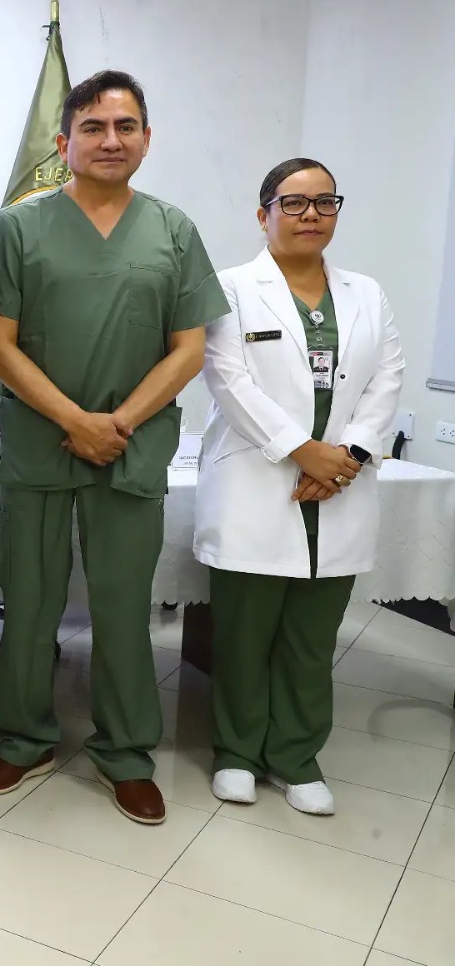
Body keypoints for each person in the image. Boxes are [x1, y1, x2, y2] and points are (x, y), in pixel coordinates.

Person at [0, 70, 229, 824]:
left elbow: (189, 349)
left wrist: (117, 424)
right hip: (39, 445)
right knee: (30, 604)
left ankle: (126, 752)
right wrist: (75, 421)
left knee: (122, 608)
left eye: (125, 126)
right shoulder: (18, 228)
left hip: (131, 448)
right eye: (93, 127)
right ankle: (23, 738)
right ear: (64, 143)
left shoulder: (173, 231)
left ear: (146, 139)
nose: (110, 140)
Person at [195, 158, 403, 815]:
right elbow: (228, 380)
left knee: (312, 640)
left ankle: (296, 757)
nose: (311, 214)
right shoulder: (230, 288)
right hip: (257, 481)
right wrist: (305, 452)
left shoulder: (367, 293)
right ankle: (236, 753)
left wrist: (349, 455)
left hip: (339, 484)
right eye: (293, 202)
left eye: (325, 202)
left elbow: (387, 377)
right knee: (243, 636)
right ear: (263, 215)